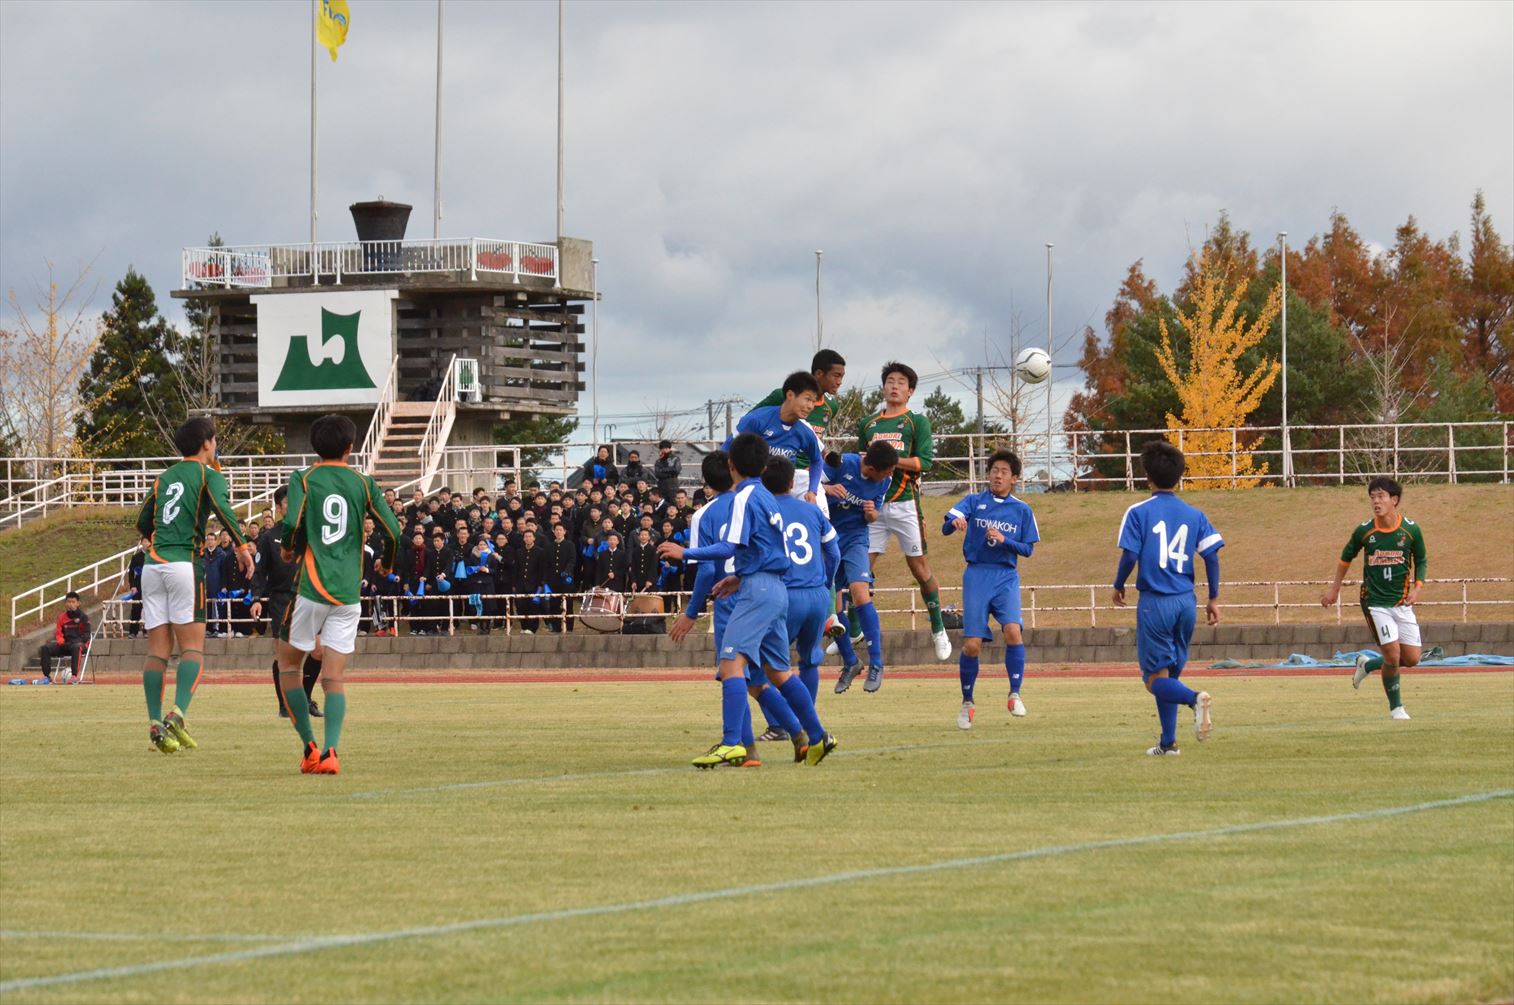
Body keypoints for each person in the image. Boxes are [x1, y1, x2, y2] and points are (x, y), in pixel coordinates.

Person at [659, 434, 837, 768]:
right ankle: (818, 736)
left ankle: (732, 745)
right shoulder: (769, 497)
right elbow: (769, 550)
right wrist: (740, 576)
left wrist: (687, 552)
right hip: (773, 587)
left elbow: (728, 547)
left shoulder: (743, 497)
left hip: (756, 593)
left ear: (731, 464)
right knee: (778, 672)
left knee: (730, 665)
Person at [275, 414, 402, 775]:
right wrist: (387, 565)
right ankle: (332, 751)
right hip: (348, 593)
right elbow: (392, 532)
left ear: (314, 447)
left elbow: (294, 521)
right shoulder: (364, 483)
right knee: (333, 677)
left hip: (312, 586)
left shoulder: (304, 477)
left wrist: (289, 549)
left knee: (288, 665)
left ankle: (309, 747)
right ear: (350, 448)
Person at [133, 416, 256, 754]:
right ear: (207, 443)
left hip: (153, 566)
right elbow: (223, 508)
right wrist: (243, 547)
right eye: (214, 440)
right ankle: (178, 713)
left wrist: (157, 538)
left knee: (158, 651)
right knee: (192, 649)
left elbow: (142, 521)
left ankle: (155, 721)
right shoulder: (208, 475)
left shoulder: (164, 478)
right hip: (185, 564)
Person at [1111, 440, 1220, 756]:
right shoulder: (1194, 514)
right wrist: (1213, 598)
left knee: (1153, 680)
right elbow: (1212, 556)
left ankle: (1194, 698)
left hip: (1156, 602)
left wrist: (1118, 584)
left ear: (1147, 477)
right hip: (1186, 602)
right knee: (1168, 674)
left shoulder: (1138, 512)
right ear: (1179, 476)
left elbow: (1130, 554)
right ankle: (1168, 743)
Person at [860, 361, 951, 661]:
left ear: (910, 391)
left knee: (919, 568)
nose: (895, 385)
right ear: (883, 387)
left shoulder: (916, 422)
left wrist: (890, 459)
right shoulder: (869, 425)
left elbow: (923, 462)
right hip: (875, 503)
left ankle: (938, 628)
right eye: (890, 381)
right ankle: (852, 629)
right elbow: (864, 462)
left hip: (905, 503)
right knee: (859, 568)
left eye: (901, 382)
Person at [942, 450, 1040, 729]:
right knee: (972, 644)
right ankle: (967, 703)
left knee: (1013, 630)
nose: (998, 475)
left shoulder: (1022, 510)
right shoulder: (974, 501)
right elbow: (947, 524)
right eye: (994, 470)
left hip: (1006, 576)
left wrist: (1005, 539)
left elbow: (1028, 549)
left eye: (1004, 471)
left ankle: (1015, 694)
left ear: (1014, 478)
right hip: (977, 574)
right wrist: (955, 523)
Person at [1320, 477, 1427, 720]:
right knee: (1392, 656)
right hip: (1375, 603)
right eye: (1372, 497)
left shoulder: (1411, 530)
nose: (1376, 502)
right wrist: (1334, 590)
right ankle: (1396, 708)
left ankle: (1366, 665)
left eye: (1381, 496)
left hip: (1401, 603)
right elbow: (1344, 559)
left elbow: (1421, 560)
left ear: (1394, 500)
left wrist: (1417, 587)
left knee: (1412, 658)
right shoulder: (1364, 531)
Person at [823, 442, 898, 693]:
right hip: (828, 536)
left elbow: (874, 512)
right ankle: (850, 662)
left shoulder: (884, 481)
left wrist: (871, 514)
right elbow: (808, 489)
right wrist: (828, 489)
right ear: (873, 467)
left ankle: (877, 663)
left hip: (856, 536)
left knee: (860, 591)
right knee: (833, 605)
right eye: (886, 472)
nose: (889, 476)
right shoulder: (842, 464)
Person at [767, 457, 842, 705]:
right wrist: (826, 583)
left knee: (768, 662)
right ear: (791, 483)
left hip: (785, 594)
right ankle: (808, 718)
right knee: (810, 659)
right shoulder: (812, 510)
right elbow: (834, 553)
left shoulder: (763, 510)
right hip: (817, 595)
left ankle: (780, 724)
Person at [255, 485, 321, 717]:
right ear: (280, 508)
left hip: (309, 596)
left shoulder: (311, 531)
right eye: (288, 503)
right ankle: (284, 704)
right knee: (283, 655)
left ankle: (303, 699)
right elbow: (259, 571)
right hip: (281, 598)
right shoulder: (269, 537)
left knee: (319, 650)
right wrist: (256, 598)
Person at [727, 371, 825, 509]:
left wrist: (812, 491)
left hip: (783, 499)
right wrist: (729, 484)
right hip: (754, 496)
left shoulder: (804, 431)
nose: (810, 406)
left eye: (814, 402)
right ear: (790, 395)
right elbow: (727, 448)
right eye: (808, 399)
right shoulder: (758, 419)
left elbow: (817, 460)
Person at [39, 591, 91, 680]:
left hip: (80, 645)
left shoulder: (84, 618)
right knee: (45, 648)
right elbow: (59, 633)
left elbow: (86, 636)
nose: (71, 604)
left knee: (76, 647)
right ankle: (47, 676)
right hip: (66, 645)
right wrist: (62, 642)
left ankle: (74, 676)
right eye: (69, 602)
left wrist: (75, 642)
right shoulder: (62, 617)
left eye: (73, 602)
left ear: (78, 603)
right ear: (65, 603)